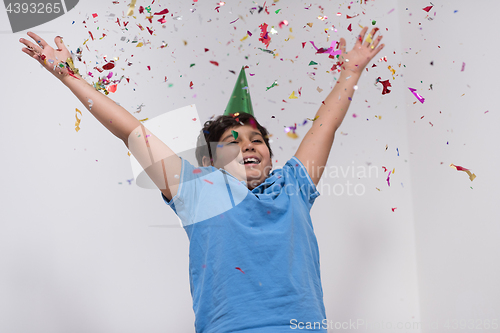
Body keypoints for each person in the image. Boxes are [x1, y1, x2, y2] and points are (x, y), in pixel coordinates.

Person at [20, 25, 384, 332]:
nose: (249, 146)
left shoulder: (294, 187)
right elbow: (131, 131)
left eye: (257, 140)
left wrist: (351, 72)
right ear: (211, 160)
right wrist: (69, 77)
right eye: (233, 142)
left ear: (271, 156)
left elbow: (326, 125)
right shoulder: (197, 189)